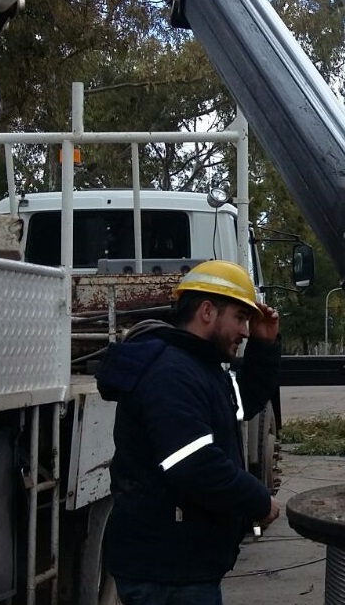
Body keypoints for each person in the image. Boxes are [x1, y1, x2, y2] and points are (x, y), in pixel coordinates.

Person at [96, 259, 281, 605]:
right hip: (167, 573)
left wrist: (265, 346)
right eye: (240, 318)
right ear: (207, 311)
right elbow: (194, 464)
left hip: (181, 565)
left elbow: (240, 406)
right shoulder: (172, 373)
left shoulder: (200, 367)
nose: (245, 331)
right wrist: (258, 501)